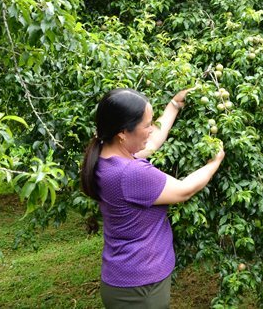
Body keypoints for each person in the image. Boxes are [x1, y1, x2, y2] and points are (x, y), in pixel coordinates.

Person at [80, 88, 225, 309]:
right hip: (140, 288)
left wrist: (174, 105)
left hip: (127, 279)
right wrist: (214, 163)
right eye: (146, 125)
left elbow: (154, 141)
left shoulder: (106, 154)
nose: (150, 130)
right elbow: (184, 189)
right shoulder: (130, 173)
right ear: (123, 133)